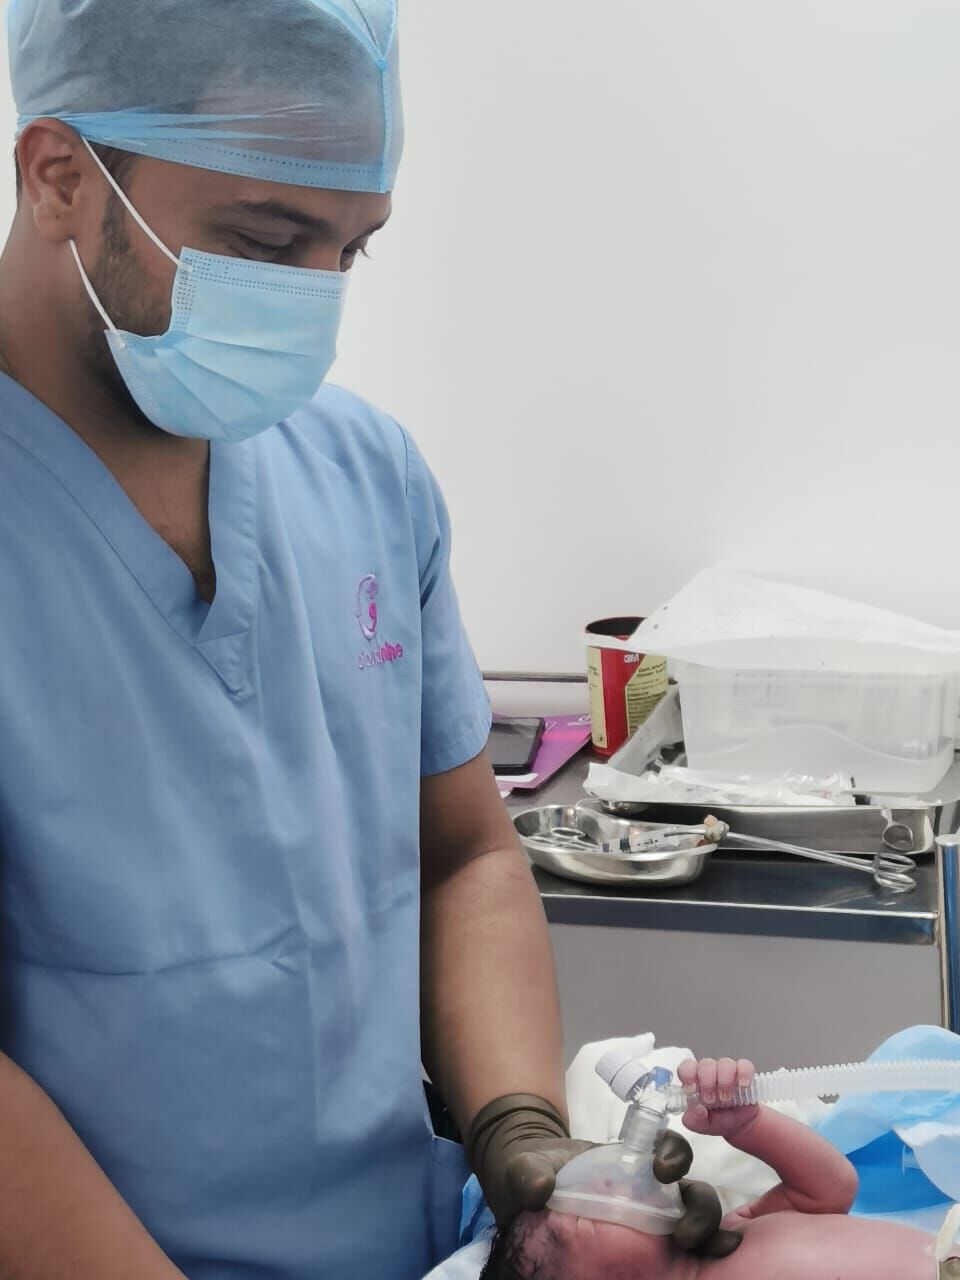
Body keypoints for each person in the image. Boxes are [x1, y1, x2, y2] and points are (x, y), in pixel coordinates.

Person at [0, 3, 726, 1277]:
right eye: (264, 241)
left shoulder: (364, 473)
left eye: (354, 249)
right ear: (60, 173)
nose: (313, 300)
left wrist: (519, 1137)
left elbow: (464, 857)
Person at [478, 1055, 960, 1280]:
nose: (599, 1178)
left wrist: (748, 1124)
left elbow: (833, 1189)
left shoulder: (739, 1229)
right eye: (571, 1226)